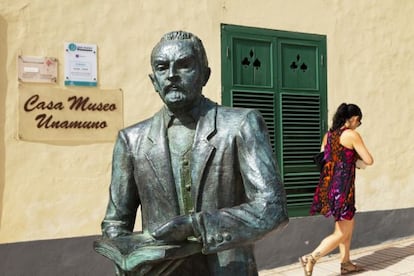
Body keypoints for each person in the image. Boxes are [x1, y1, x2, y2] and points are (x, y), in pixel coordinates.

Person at [101, 31, 289, 275]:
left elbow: (272, 208)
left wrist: (197, 226)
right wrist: (127, 260)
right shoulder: (131, 140)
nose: (171, 75)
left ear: (205, 74)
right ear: (153, 80)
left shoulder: (241, 125)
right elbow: (116, 223)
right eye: (162, 67)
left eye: (184, 65)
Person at [299, 103, 374, 276]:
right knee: (342, 231)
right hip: (344, 188)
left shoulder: (328, 136)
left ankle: (346, 263)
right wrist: (354, 157)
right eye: (359, 121)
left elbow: (324, 158)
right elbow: (368, 160)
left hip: (330, 187)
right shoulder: (352, 135)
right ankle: (311, 257)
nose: (358, 125)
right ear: (354, 119)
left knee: (347, 225)